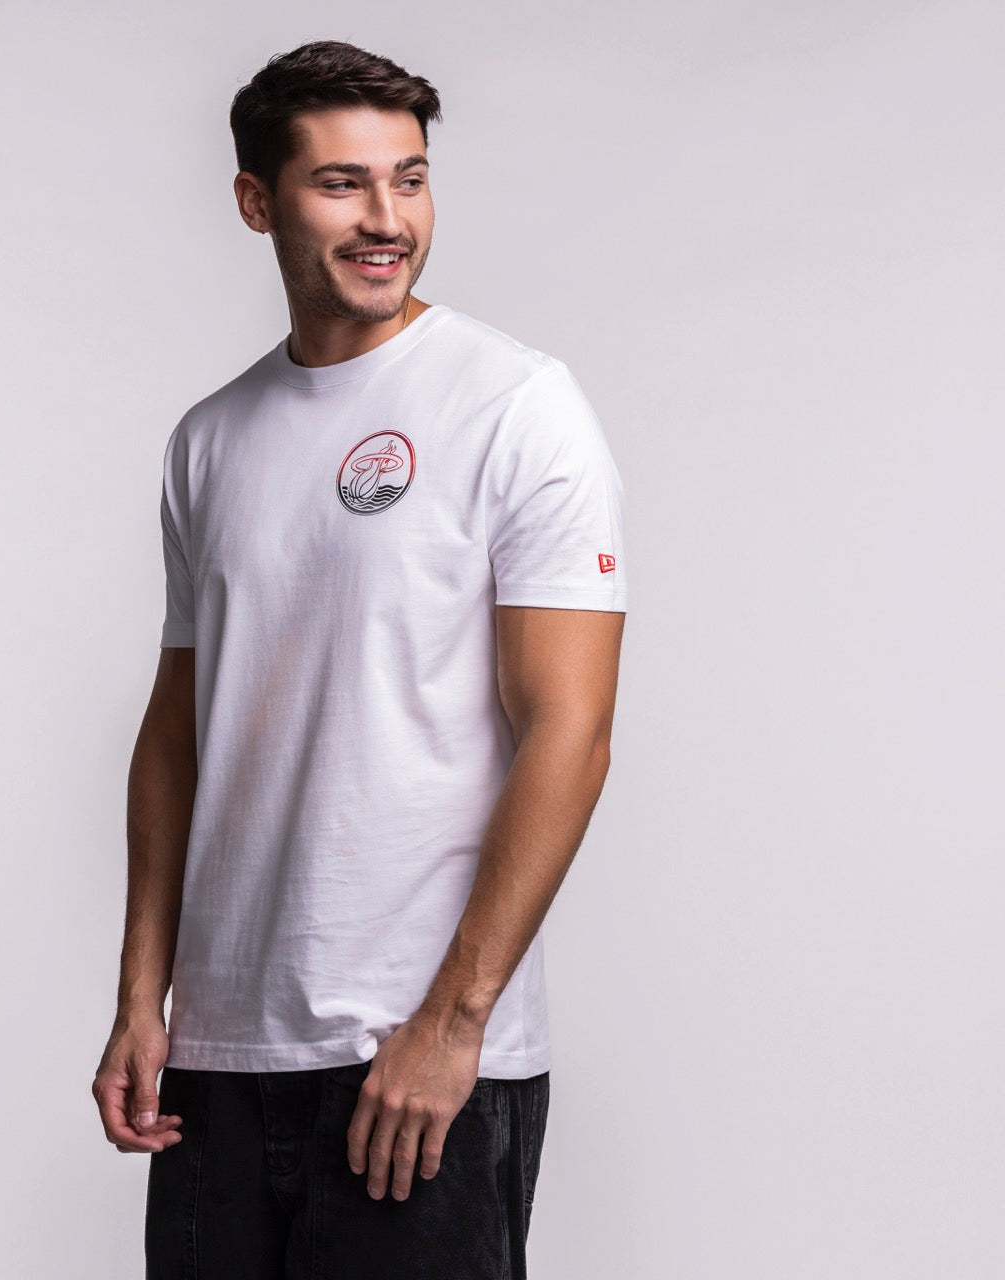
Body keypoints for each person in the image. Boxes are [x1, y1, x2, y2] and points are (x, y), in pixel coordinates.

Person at [91, 39, 628, 1279]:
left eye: (410, 179)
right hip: (220, 1062)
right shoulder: (207, 441)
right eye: (341, 184)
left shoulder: (514, 403)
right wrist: (142, 997)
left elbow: (571, 732)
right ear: (255, 200)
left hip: (417, 1057)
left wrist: (451, 1024)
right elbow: (179, 725)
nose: (387, 219)